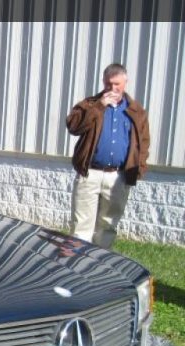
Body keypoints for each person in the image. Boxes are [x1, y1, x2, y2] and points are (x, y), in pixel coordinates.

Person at [66, 63, 150, 249]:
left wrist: (139, 169)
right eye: (108, 84)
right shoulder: (89, 104)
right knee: (81, 226)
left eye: (117, 84)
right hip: (90, 173)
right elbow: (73, 126)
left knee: (108, 226)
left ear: (125, 82)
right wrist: (99, 106)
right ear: (103, 82)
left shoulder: (136, 112)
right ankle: (76, 267)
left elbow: (143, 143)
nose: (113, 89)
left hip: (118, 177)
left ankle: (99, 267)